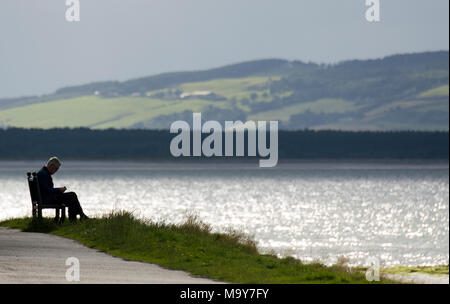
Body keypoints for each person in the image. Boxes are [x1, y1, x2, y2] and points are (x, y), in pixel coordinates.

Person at [37, 157, 89, 222]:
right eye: (55, 169)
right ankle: (76, 217)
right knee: (72, 196)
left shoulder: (43, 173)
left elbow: (47, 190)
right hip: (47, 199)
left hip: (46, 198)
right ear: (51, 166)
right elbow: (47, 190)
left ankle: (77, 217)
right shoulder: (43, 174)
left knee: (72, 198)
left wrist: (58, 191)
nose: (55, 171)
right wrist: (59, 190)